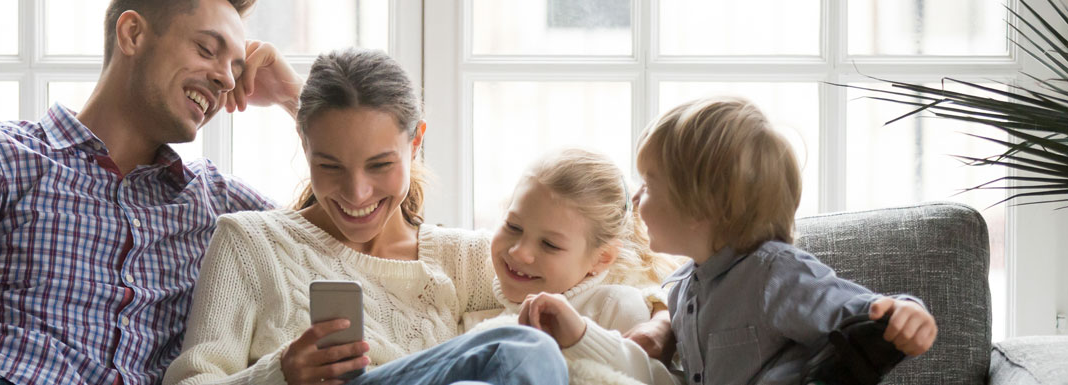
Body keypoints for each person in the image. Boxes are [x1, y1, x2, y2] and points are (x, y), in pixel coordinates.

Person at [0, 0, 307, 383]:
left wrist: (296, 100)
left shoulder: (217, 203)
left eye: (236, 70)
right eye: (207, 50)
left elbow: (358, 220)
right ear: (132, 34)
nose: (225, 81)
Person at [164, 48, 568, 385]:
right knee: (520, 347)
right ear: (304, 147)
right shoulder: (251, 242)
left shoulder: (467, 260)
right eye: (331, 166)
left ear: (416, 143)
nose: (357, 193)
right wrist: (279, 374)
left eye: (379, 166)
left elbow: (595, 284)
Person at [633, 96, 939, 384]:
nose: (634, 198)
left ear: (699, 205)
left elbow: (864, 315)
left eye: (647, 184)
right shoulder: (682, 290)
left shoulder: (774, 273)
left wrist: (906, 312)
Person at [461, 148, 682, 385]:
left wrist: (583, 338)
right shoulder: (487, 308)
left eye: (549, 244)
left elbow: (649, 378)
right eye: (513, 227)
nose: (520, 252)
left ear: (602, 258)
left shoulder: (615, 305)